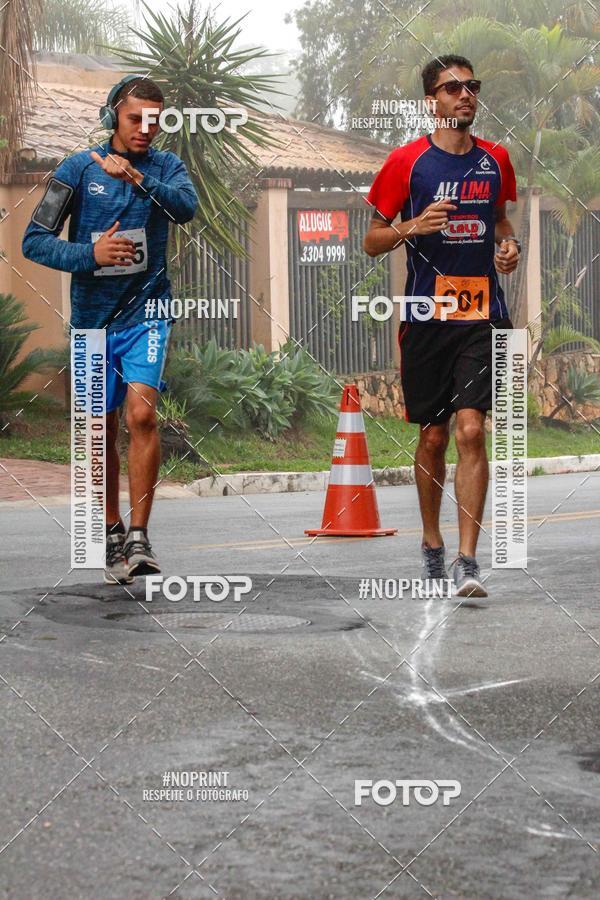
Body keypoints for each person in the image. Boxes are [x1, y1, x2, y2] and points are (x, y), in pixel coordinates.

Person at [23, 75, 198, 585]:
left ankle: (140, 536)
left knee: (142, 416)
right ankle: (112, 529)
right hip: (92, 322)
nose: (146, 128)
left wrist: (139, 181)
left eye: (155, 119)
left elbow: (186, 209)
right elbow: (34, 241)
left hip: (147, 313)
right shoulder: (77, 169)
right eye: (134, 118)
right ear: (112, 117)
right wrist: (90, 254)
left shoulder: (167, 167)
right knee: (99, 433)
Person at [363, 54, 520, 598]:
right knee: (433, 437)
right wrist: (410, 226)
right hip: (427, 317)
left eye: (472, 86)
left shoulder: (496, 158)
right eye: (452, 88)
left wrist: (507, 247)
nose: (465, 95)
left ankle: (468, 561)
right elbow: (371, 239)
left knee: (471, 429)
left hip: (482, 314)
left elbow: (500, 220)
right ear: (431, 101)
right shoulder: (406, 163)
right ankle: (431, 542)